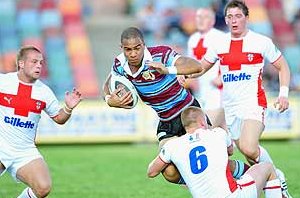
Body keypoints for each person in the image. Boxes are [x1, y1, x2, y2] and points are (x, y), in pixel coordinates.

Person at [148, 1, 292, 197]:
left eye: (238, 16)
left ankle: (277, 177)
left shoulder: (261, 42)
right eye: (230, 17)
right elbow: (201, 67)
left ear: (246, 18)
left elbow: (283, 66)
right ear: (225, 20)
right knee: (249, 155)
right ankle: (275, 185)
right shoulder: (219, 44)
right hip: (230, 106)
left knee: (249, 148)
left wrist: (283, 94)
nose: (234, 21)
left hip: (253, 103)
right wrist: (179, 72)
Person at [102, 27, 248, 183]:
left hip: (189, 112)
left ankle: (252, 175)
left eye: (137, 48)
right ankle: (202, 183)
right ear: (121, 48)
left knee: (216, 160)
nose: (133, 53)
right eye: (128, 49)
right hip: (167, 121)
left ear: (144, 45)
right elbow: (108, 85)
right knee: (169, 172)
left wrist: (168, 70)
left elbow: (197, 66)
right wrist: (109, 100)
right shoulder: (119, 64)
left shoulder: (161, 54)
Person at [0, 46, 82, 198]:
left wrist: (68, 108)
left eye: (41, 63)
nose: (39, 65)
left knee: (43, 188)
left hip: (24, 151)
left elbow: (59, 118)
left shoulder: (44, 91)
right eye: (34, 62)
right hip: (1, 145)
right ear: (21, 63)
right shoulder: (3, 82)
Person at [147, 106, 283, 198]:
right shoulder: (218, 133)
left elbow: (151, 172)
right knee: (267, 167)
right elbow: (230, 151)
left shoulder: (173, 146)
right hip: (233, 195)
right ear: (202, 121)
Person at [187, 7, 226, 129]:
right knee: (227, 134)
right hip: (200, 90)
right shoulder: (193, 39)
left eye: (205, 17)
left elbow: (232, 62)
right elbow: (190, 62)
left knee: (207, 129)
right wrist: (190, 79)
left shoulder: (220, 37)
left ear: (212, 21)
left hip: (218, 91)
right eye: (198, 17)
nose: (201, 20)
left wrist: (222, 77)